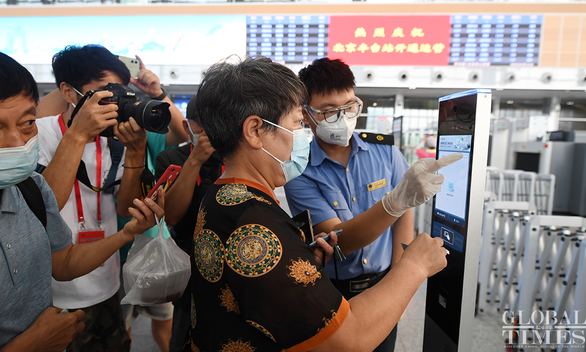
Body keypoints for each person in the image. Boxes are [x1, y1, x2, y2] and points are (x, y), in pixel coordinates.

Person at [189, 56, 457, 351]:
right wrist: (414, 266)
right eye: (297, 124)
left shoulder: (220, 197)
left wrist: (304, 258)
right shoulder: (257, 225)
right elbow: (348, 340)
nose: (303, 136)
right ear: (254, 131)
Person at [0, 52, 165, 351]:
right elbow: (44, 206)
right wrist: (78, 133)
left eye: (122, 93)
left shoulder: (116, 138)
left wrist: (137, 152)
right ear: (68, 92)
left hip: (104, 277)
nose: (116, 102)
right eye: (106, 93)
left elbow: (124, 207)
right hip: (55, 293)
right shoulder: (41, 134)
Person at [284, 57, 411, 350]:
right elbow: (339, 240)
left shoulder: (385, 152)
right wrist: (393, 203)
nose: (343, 118)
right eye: (329, 111)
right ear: (307, 113)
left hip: (384, 283)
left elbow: (404, 217)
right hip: (332, 293)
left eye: (350, 106)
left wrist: (400, 278)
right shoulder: (299, 170)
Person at [154, 96, 222, 351]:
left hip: (229, 261)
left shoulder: (236, 156)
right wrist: (195, 161)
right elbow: (170, 216)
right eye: (202, 129)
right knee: (184, 337)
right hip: (187, 264)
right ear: (187, 127)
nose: (209, 136)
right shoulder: (171, 158)